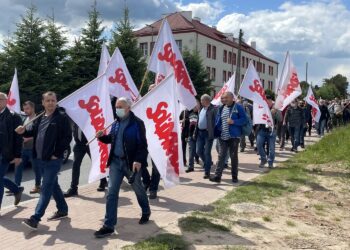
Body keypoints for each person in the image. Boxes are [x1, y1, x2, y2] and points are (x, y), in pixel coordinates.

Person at [94, 97, 150, 238]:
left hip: (131, 164)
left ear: (128, 108)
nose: (117, 109)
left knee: (138, 188)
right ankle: (109, 225)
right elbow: (112, 139)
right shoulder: (116, 123)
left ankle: (145, 210)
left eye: (120, 106)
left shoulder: (137, 124)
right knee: (111, 193)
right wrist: (102, 137)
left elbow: (143, 146)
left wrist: (138, 160)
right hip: (115, 163)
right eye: (116, 106)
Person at [16, 91, 72, 230]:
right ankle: (63, 210)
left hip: (53, 160)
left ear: (56, 101)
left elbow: (67, 138)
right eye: (48, 101)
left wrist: (57, 153)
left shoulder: (61, 117)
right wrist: (23, 131)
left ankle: (35, 218)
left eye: (53, 100)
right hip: (39, 158)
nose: (51, 103)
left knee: (45, 187)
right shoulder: (41, 116)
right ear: (43, 103)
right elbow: (34, 133)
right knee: (53, 185)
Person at [210, 92, 247, 183]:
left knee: (233, 157)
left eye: (226, 98)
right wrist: (216, 130)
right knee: (221, 157)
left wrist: (234, 121)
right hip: (223, 137)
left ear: (232, 98)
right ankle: (217, 176)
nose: (224, 99)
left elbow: (244, 120)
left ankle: (234, 176)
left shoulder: (238, 107)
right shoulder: (221, 108)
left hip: (234, 137)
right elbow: (219, 121)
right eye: (223, 98)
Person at [0, 92, 24, 210]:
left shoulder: (14, 116)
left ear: (5, 101)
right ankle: (16, 189)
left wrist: (18, 155)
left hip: (5, 153)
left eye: (0, 99)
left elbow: (18, 138)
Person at [14, 101, 41, 194]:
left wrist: (27, 138)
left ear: (33, 108)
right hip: (23, 149)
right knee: (18, 167)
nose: (25, 111)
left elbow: (39, 133)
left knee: (36, 168)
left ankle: (38, 186)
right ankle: (15, 187)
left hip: (33, 149)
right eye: (24, 109)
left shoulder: (38, 119)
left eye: (27, 108)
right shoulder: (25, 119)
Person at [64, 123, 90, 197]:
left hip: (90, 142)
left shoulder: (87, 115)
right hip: (79, 144)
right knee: (75, 165)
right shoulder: (76, 116)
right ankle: (73, 188)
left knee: (96, 163)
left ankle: (103, 180)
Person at [257, 95, 282, 168]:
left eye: (268, 101)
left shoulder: (276, 108)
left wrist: (276, 112)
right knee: (259, 145)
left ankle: (270, 162)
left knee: (271, 148)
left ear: (271, 101)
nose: (267, 102)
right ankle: (263, 159)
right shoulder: (261, 108)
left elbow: (280, 119)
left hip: (271, 131)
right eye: (265, 101)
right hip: (261, 130)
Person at [196, 94, 217, 179]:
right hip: (200, 133)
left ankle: (207, 172)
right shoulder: (202, 109)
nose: (201, 102)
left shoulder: (213, 109)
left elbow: (216, 121)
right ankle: (208, 163)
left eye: (202, 100)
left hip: (208, 134)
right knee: (198, 151)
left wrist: (211, 129)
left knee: (207, 152)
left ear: (206, 100)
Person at [186, 100, 200, 173]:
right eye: (194, 105)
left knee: (199, 151)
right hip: (191, 136)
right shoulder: (189, 113)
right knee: (191, 152)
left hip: (199, 136)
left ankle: (206, 162)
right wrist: (187, 136)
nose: (195, 107)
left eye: (196, 105)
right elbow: (187, 126)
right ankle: (190, 166)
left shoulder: (201, 113)